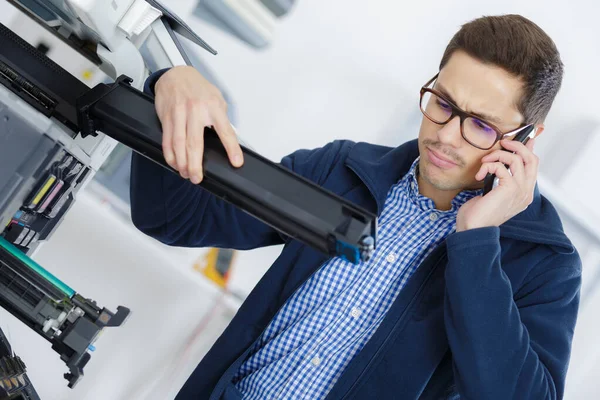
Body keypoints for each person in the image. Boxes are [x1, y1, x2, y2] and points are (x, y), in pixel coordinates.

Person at [129, 14, 581, 400]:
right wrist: (168, 83)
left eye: (480, 126)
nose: (445, 136)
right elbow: (174, 217)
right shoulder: (344, 169)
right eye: (442, 103)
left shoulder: (545, 262)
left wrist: (478, 242)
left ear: (526, 138)